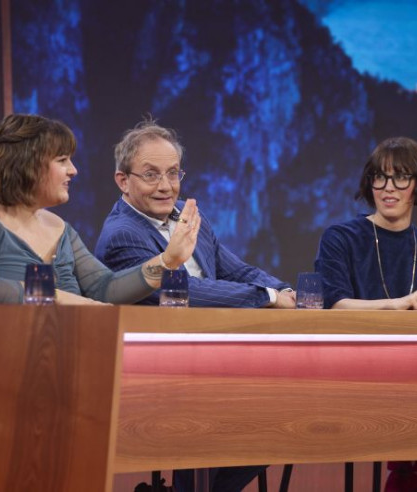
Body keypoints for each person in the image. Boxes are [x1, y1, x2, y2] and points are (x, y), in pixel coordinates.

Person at [94, 119, 294, 491]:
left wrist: (283, 290)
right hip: (166, 375)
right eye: (151, 175)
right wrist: (267, 298)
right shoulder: (123, 234)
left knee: (286, 415)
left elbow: (235, 268)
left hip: (219, 360)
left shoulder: (185, 215)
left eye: (173, 173)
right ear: (123, 180)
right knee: (254, 417)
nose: (166, 186)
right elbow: (185, 292)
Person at [315, 136, 417, 492]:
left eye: (400, 177)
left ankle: (407, 476)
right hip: (350, 372)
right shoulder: (341, 238)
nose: (388, 187)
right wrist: (399, 303)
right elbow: (334, 305)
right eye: (380, 177)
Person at [0, 113, 200, 306]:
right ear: (24, 164)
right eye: (62, 160)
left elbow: (105, 288)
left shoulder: (59, 227)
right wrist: (63, 298)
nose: (73, 170)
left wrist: (168, 260)